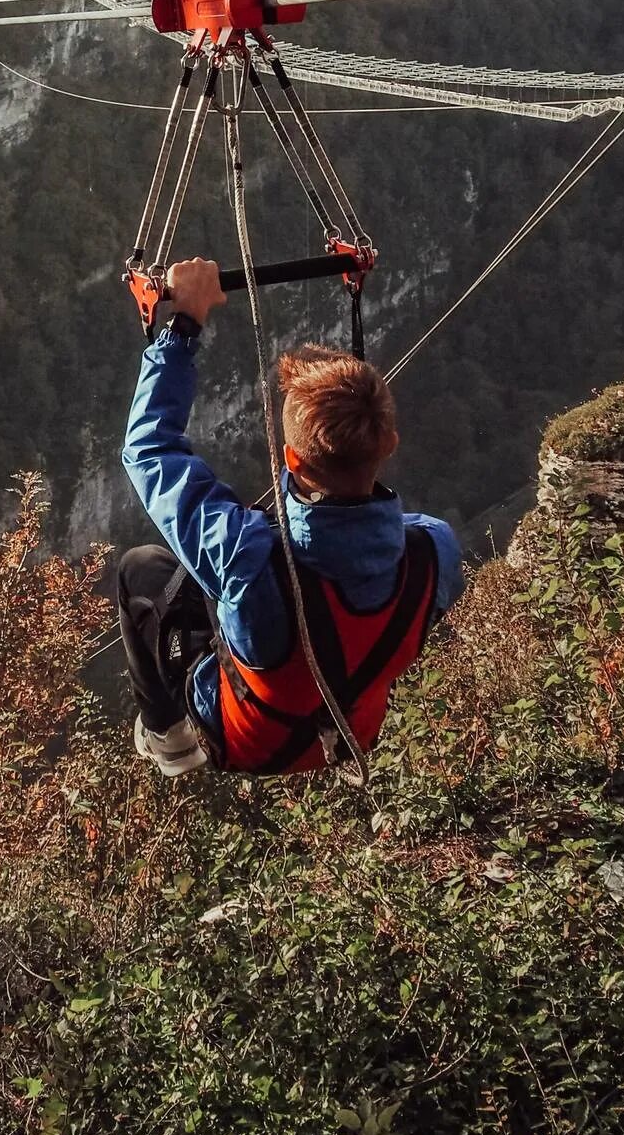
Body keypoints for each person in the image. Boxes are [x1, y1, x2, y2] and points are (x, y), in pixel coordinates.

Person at [119, 257, 463, 776]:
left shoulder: (246, 558)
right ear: (388, 443)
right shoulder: (435, 551)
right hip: (353, 731)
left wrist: (183, 324)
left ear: (292, 459)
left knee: (142, 567)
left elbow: (150, 449)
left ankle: (171, 741)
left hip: (247, 739)